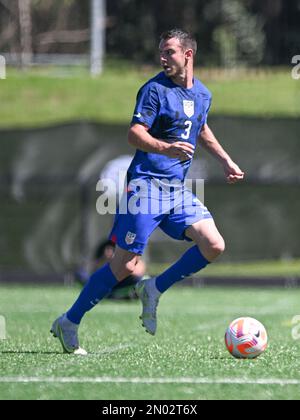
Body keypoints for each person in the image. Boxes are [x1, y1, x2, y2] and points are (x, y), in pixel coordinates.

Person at [51, 28, 244, 354]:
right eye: (161, 52)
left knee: (214, 244)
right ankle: (69, 321)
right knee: (124, 266)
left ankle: (154, 288)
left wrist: (226, 160)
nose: (163, 58)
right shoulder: (154, 90)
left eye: (169, 52)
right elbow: (134, 134)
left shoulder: (203, 94)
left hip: (176, 190)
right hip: (145, 186)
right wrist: (166, 149)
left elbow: (201, 128)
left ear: (188, 55)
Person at [75, 239, 147, 300]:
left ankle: (121, 295)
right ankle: (115, 295)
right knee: (82, 275)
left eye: (111, 249)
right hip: (108, 284)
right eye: (107, 249)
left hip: (124, 282)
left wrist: (119, 264)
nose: (108, 252)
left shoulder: (127, 256)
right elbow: (95, 271)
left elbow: (138, 271)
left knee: (139, 280)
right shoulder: (102, 260)